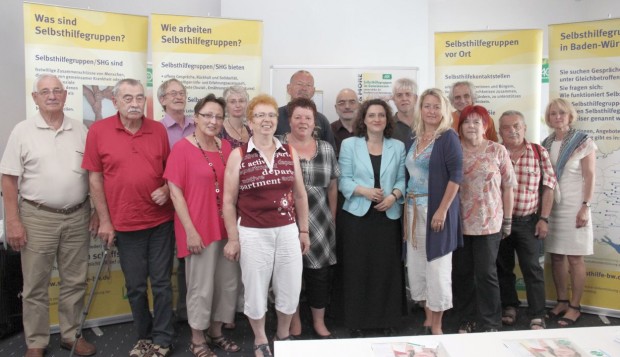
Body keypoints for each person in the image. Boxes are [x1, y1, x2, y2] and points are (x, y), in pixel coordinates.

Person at [1, 74, 97, 357]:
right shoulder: (22, 131)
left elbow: (93, 176)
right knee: (35, 284)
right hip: (37, 217)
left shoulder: (81, 131)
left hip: (78, 216)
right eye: (45, 91)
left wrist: (95, 210)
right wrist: (13, 221)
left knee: (75, 280)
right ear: (35, 98)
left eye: (57, 91)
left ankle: (71, 335)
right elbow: (8, 180)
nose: (52, 95)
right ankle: (37, 342)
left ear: (66, 95)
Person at [82, 78, 175, 357]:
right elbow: (94, 178)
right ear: (115, 101)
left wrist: (166, 188)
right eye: (128, 98)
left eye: (138, 98)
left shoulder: (157, 130)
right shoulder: (98, 131)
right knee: (135, 287)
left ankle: (163, 338)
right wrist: (105, 220)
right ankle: (144, 336)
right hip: (125, 224)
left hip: (160, 222)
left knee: (161, 284)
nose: (135, 104)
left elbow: (171, 171)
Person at [222, 94, 310, 357]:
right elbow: (228, 201)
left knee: (290, 287)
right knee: (256, 290)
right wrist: (233, 238)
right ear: (250, 122)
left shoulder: (289, 152)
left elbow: (300, 195)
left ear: (277, 121)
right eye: (260, 115)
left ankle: (282, 334)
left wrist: (303, 230)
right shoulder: (239, 155)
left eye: (271, 115)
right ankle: (260, 338)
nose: (266, 120)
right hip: (253, 233)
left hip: (287, 231)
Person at [164, 94, 241, 357]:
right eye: (207, 115)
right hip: (198, 230)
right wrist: (190, 231)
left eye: (218, 116)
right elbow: (175, 193)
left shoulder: (227, 149)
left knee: (226, 284)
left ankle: (216, 332)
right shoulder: (182, 149)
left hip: (226, 229)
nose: (213, 120)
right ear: (195, 117)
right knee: (201, 287)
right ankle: (197, 339)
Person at [337, 98, 407, 337]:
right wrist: (365, 191)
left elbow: (402, 179)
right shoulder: (349, 145)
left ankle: (387, 319)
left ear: (387, 119)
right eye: (371, 115)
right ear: (363, 120)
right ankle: (357, 320)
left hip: (387, 216)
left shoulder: (397, 146)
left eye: (381, 115)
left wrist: (394, 196)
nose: (376, 119)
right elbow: (343, 179)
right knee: (358, 269)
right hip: (357, 216)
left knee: (386, 269)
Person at [279, 98, 340, 339]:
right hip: (284, 220)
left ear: (315, 122)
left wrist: (332, 218)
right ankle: (293, 320)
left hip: (320, 220)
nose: (303, 122)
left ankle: (318, 321)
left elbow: (333, 187)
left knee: (318, 275)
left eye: (308, 117)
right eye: (298, 117)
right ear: (289, 121)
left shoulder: (325, 147)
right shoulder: (278, 145)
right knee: (288, 274)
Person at [452, 105, 516, 333]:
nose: (471, 126)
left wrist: (508, 220)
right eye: (466, 122)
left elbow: (508, 187)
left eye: (477, 122)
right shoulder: (454, 150)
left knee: (487, 273)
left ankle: (491, 322)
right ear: (459, 127)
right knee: (462, 274)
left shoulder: (497, 150)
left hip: (490, 224)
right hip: (459, 224)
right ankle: (466, 319)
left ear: (485, 125)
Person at [404, 88, 462, 335]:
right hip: (411, 209)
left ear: (444, 110)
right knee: (417, 267)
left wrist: (441, 211)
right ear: (421, 109)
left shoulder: (448, 137)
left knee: (437, 269)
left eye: (436, 106)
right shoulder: (415, 137)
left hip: (435, 211)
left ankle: (437, 326)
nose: (431, 111)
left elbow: (456, 177)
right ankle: (428, 318)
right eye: (427, 106)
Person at [496, 110, 556, 330]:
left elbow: (549, 187)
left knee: (532, 269)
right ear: (500, 131)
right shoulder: (495, 151)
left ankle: (538, 314)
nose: (512, 130)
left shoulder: (539, 153)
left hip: (528, 221)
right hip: (499, 223)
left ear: (525, 128)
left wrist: (544, 219)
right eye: (507, 127)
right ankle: (509, 306)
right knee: (502, 268)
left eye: (517, 126)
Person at [541, 98, 596, 327]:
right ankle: (562, 301)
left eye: (562, 113)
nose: (557, 117)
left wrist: (585, 206)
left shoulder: (583, 141)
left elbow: (590, 175)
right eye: (553, 113)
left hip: (575, 205)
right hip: (554, 206)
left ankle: (575, 306)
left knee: (575, 258)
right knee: (556, 257)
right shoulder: (546, 142)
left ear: (569, 116)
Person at [157, 78, 195, 322]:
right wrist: (164, 188)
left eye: (181, 93)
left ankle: (189, 314)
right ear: (162, 100)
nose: (178, 96)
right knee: (163, 265)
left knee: (189, 263)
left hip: (194, 205)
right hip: (164, 207)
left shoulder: (198, 126)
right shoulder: (156, 129)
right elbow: (153, 166)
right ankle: (170, 318)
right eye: (172, 93)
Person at [275, 70, 336, 149]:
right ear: (288, 88)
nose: (304, 88)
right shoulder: (275, 116)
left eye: (308, 85)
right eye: (299, 84)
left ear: (313, 91)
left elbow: (331, 153)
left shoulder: (322, 120)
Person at [330, 88, 359, 156]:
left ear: (359, 106)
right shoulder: (328, 131)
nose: (347, 106)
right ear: (336, 108)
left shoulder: (368, 130)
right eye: (342, 103)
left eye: (352, 102)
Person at [391, 78, 418, 147]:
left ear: (415, 98)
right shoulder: (387, 125)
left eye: (408, 94)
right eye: (399, 95)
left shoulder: (426, 123)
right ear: (394, 99)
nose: (404, 99)